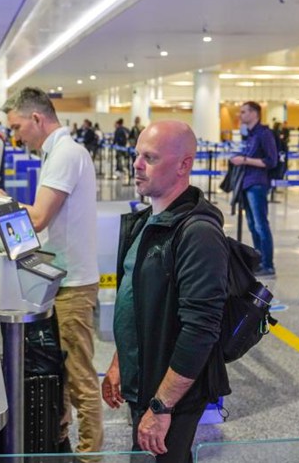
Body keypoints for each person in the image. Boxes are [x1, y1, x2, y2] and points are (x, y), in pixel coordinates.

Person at [0, 87, 102, 452]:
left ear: (38, 118)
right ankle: (61, 442)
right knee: (61, 373)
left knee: (81, 378)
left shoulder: (66, 154)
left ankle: (90, 457)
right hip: (60, 278)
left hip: (75, 285)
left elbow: (36, 218)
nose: (16, 136)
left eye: (18, 126)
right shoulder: (56, 153)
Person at [102, 120, 229, 463]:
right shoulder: (146, 222)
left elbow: (200, 330)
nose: (136, 165)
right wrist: (119, 362)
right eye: (137, 155)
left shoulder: (198, 233)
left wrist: (161, 407)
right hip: (143, 377)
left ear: (184, 165)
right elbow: (138, 302)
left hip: (171, 391)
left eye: (150, 157)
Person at [231, 101, 278, 276]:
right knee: (252, 225)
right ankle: (259, 261)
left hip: (257, 184)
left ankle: (268, 264)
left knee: (260, 224)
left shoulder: (264, 134)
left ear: (254, 113)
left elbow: (271, 161)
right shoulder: (250, 135)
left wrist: (244, 160)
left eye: (244, 112)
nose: (240, 115)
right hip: (247, 182)